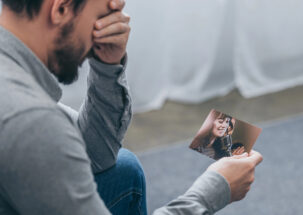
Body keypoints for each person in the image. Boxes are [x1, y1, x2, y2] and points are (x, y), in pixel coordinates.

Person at [0, 0, 263, 214]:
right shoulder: (31, 121)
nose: (117, 15)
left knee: (123, 169)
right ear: (61, 8)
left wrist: (107, 66)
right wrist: (212, 192)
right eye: (106, 9)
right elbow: (45, 134)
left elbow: (94, 154)